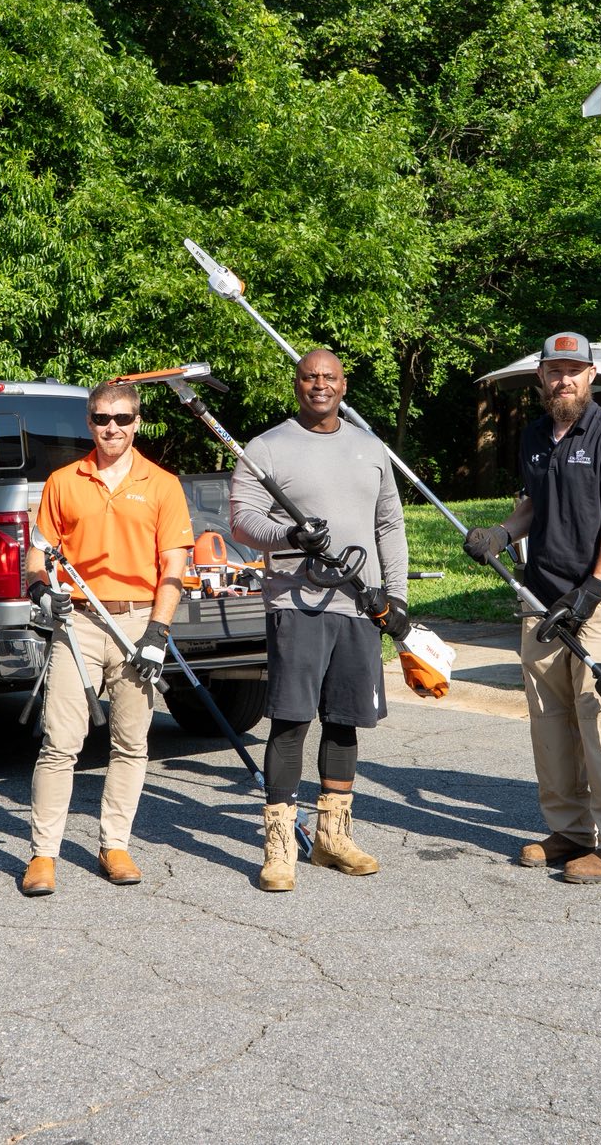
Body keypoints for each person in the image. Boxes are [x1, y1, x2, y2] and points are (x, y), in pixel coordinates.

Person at [464, 332, 601, 883]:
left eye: (574, 369)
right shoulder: (535, 435)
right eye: (554, 370)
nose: (563, 379)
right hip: (539, 600)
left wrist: (591, 589)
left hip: (597, 606)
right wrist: (501, 533)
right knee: (551, 724)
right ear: (541, 378)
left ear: (590, 375)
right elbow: (532, 505)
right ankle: (571, 830)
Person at [230, 349, 408, 893]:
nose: (320, 385)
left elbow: (390, 525)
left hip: (358, 603)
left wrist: (395, 596)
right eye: (310, 377)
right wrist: (288, 536)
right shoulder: (267, 447)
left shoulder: (369, 447)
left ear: (343, 384)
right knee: (290, 720)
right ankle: (280, 843)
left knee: (344, 718)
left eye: (329, 377)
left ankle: (332, 835)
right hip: (296, 604)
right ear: (297, 384)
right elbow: (241, 518)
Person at [18, 380, 194, 896]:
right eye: (101, 419)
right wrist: (39, 591)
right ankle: (43, 854)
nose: (111, 428)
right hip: (79, 623)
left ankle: (114, 844)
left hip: (139, 623)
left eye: (121, 419)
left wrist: (159, 633)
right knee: (61, 741)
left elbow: (174, 567)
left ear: (137, 422)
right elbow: (38, 553)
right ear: (89, 422)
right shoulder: (63, 481)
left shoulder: (161, 484)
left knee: (131, 741)